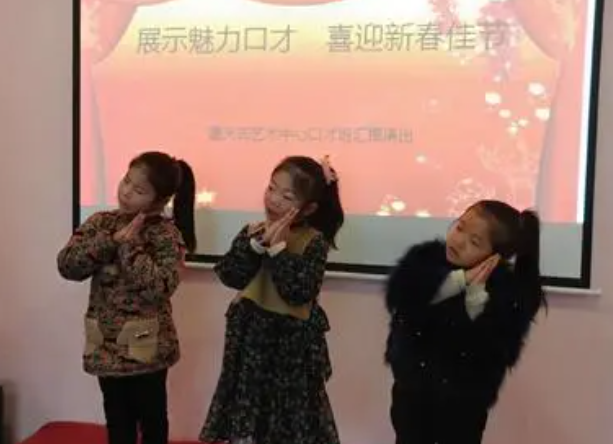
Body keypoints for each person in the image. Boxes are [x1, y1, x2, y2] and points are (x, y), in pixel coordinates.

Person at [199, 155, 344, 444]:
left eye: (287, 196)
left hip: (290, 345)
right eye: (271, 188)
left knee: (288, 419)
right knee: (248, 414)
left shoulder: (314, 241)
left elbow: (298, 292)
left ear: (309, 208)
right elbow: (230, 275)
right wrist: (256, 246)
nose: (273, 199)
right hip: (250, 338)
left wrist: (278, 250)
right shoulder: (253, 231)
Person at [57, 151, 197, 444]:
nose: (126, 191)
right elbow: (67, 266)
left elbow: (160, 287)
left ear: (159, 200)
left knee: (152, 421)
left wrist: (130, 246)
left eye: (139, 190)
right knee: (117, 422)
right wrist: (110, 241)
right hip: (106, 346)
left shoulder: (166, 234)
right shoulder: (101, 223)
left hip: (147, 351)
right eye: (126, 181)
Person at [385, 199, 547, 444]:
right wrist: (461, 279)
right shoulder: (425, 259)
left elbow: (491, 347)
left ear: (495, 257)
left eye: (475, 242)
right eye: (460, 227)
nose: (459, 241)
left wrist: (475, 297)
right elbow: (403, 297)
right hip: (411, 397)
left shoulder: (505, 292)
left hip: (462, 408)